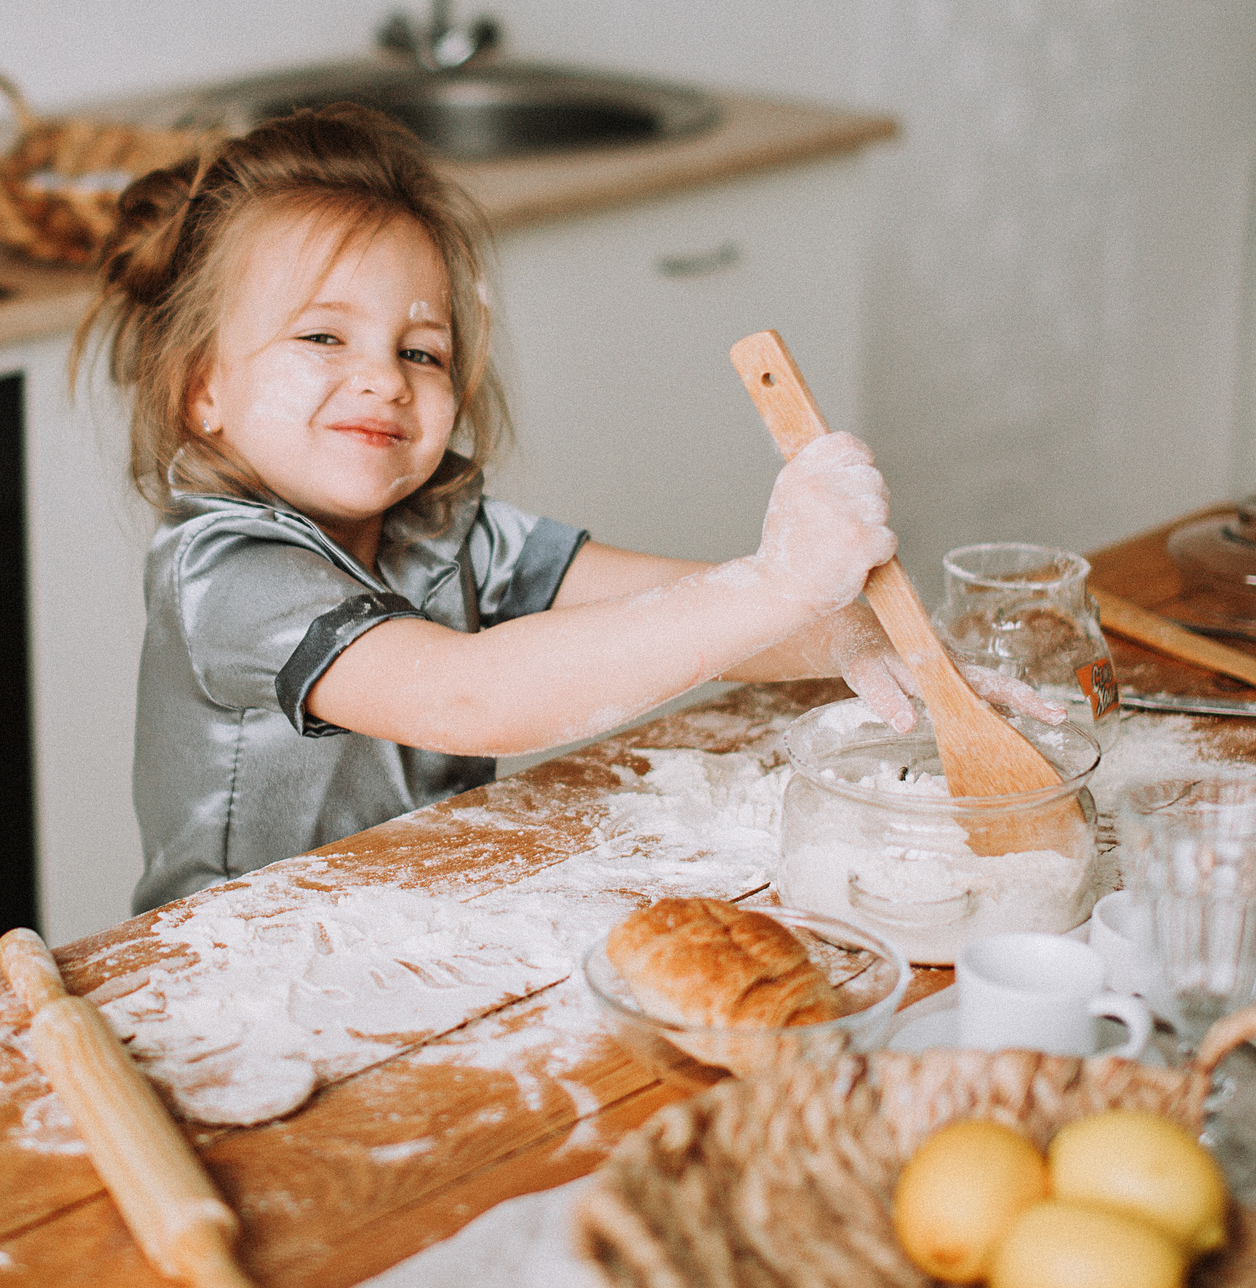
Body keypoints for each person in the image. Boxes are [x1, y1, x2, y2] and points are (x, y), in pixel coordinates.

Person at [81, 103, 969, 913]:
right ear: (203, 390)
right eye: (322, 336)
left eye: (421, 351)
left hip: (407, 936)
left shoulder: (443, 529)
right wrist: (779, 584)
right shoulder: (226, 574)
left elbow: (670, 603)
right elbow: (468, 696)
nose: (385, 378)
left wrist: (865, 638)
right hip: (226, 982)